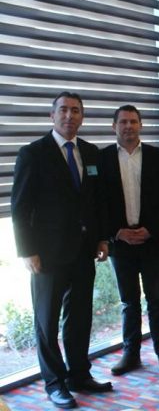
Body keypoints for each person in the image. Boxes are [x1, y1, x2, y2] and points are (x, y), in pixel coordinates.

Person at [11, 92, 113, 409]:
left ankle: (79, 375)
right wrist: (27, 250)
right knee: (47, 321)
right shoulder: (33, 153)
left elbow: (97, 202)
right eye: (64, 110)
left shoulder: (91, 152)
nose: (69, 116)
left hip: (84, 251)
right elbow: (20, 207)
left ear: (82, 117)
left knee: (80, 318)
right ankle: (55, 383)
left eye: (75, 111)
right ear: (52, 115)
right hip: (47, 254)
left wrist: (102, 238)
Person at [99, 105, 159, 376]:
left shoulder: (158, 157)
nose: (128, 126)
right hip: (121, 244)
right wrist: (116, 232)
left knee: (156, 300)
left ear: (140, 125)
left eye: (133, 121)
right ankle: (131, 355)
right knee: (129, 302)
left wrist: (151, 229)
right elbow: (98, 203)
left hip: (151, 242)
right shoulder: (102, 159)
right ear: (114, 126)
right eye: (123, 122)